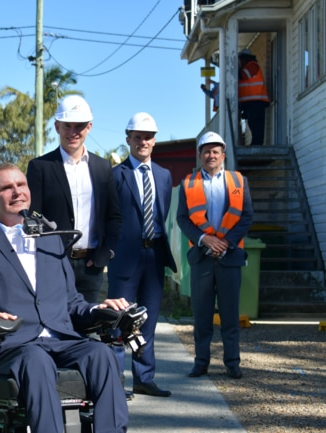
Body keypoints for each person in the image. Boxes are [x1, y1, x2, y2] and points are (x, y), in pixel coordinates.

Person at [0, 163, 129, 433]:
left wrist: (97, 310)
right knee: (36, 359)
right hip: (12, 345)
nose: (17, 192)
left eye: (21, 185)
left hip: (61, 339)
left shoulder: (51, 240)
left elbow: (71, 302)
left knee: (102, 354)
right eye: (7, 188)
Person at [107, 113, 177, 398]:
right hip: (125, 258)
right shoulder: (115, 176)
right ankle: (114, 382)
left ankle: (144, 377)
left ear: (154, 141)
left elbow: (163, 214)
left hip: (154, 256)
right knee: (119, 320)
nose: (143, 141)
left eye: (148, 136)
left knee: (147, 319)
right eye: (137, 137)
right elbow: (108, 218)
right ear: (128, 140)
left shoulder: (163, 175)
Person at [27, 95, 122, 303]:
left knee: (86, 326)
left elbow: (113, 216)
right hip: (53, 264)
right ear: (57, 127)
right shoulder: (40, 167)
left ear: (89, 127)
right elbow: (32, 216)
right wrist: (44, 258)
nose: (73, 132)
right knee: (55, 326)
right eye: (67, 126)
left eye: (78, 126)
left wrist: (103, 255)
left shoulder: (102, 167)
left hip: (91, 267)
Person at [176, 131, 253, 380]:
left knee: (230, 315)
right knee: (202, 315)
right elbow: (182, 218)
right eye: (206, 151)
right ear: (200, 155)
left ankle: (232, 363)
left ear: (223, 155)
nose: (211, 155)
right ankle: (201, 362)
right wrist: (204, 239)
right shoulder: (189, 183)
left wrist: (226, 242)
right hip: (202, 257)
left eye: (215, 151)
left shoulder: (239, 180)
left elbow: (247, 217)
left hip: (229, 257)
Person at [238, 48, 270, 145]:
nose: (240, 61)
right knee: (252, 124)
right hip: (250, 102)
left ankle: (257, 144)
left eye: (241, 59)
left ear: (245, 58)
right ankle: (255, 143)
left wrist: (236, 69)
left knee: (256, 124)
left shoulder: (252, 65)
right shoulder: (247, 67)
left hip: (257, 101)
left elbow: (244, 75)